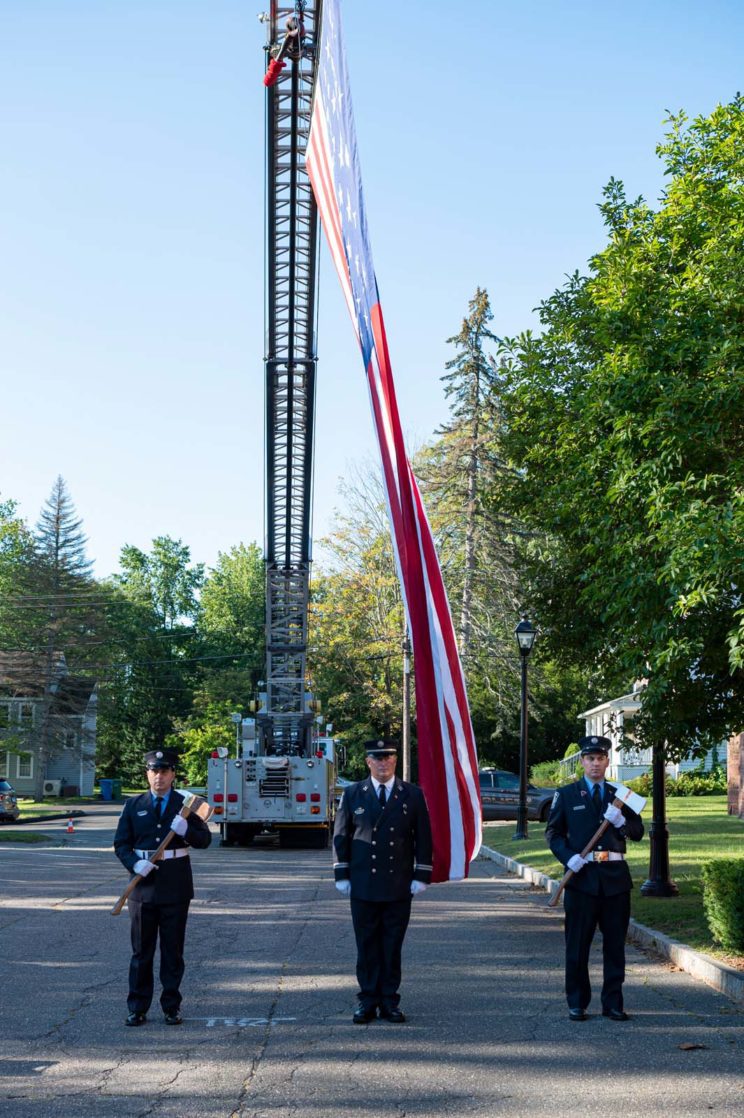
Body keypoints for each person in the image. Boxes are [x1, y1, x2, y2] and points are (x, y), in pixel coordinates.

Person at [333, 739, 433, 1024]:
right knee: (366, 945)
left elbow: (423, 837)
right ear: (368, 762)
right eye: (377, 758)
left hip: (398, 884)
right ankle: (367, 1000)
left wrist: (421, 874)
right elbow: (341, 836)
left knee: (392, 945)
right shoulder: (353, 794)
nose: (383, 763)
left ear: (395, 761)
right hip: (363, 884)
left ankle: (390, 1001)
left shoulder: (412, 794)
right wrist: (342, 873)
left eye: (388, 757)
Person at [545, 735, 644, 1022]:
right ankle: (577, 1002)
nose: (595, 764)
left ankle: (613, 1003)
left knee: (615, 945)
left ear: (607, 762)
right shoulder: (566, 794)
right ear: (582, 762)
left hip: (615, 880)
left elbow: (638, 833)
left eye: (600, 759)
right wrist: (567, 857)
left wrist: (622, 822)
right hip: (581, 879)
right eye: (590, 759)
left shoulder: (622, 795)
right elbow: (553, 834)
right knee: (577, 945)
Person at [113, 749, 211, 1027]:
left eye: (165, 771)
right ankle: (137, 1007)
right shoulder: (133, 805)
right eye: (154, 771)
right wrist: (134, 864)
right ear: (147, 773)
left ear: (173, 774)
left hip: (175, 887)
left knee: (172, 951)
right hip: (143, 887)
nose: (159, 777)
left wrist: (186, 831)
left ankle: (171, 1006)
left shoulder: (186, 805)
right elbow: (121, 844)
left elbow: (204, 840)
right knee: (141, 952)